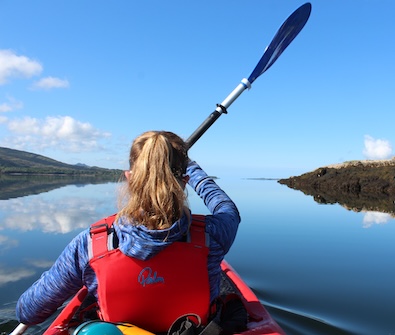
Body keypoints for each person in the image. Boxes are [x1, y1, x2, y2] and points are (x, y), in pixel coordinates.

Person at [16, 131, 241, 333]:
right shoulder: (214, 234)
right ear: (184, 182)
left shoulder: (90, 245)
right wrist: (191, 167)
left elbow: (28, 312)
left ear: (129, 177)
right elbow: (227, 209)